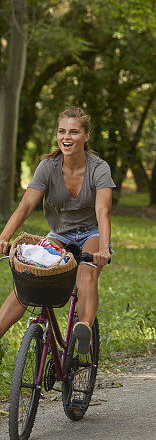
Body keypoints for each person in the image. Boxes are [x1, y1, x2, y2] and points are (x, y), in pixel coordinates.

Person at [0, 107, 114, 354]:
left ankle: (83, 328)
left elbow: (103, 211)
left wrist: (104, 248)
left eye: (74, 132)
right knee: (31, 277)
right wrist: (4, 236)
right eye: (62, 131)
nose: (67, 137)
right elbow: (26, 206)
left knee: (86, 274)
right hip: (59, 234)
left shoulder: (99, 168)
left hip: (91, 232)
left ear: (86, 135)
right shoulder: (47, 166)